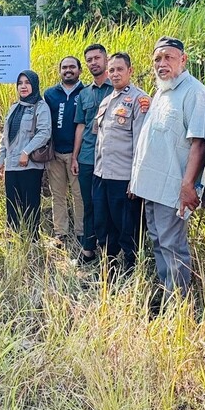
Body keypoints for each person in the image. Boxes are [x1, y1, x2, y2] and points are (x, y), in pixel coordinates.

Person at [129, 37, 205, 297]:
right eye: (157, 59)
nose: (162, 63)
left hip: (174, 188)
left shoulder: (195, 93)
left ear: (183, 59)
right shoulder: (162, 91)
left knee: (172, 245)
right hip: (151, 186)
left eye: (168, 57)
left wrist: (188, 186)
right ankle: (167, 294)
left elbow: (200, 144)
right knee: (158, 241)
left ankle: (177, 303)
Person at [92, 53, 148, 278]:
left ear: (130, 71)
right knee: (104, 226)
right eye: (111, 70)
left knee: (128, 229)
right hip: (101, 174)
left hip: (123, 178)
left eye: (119, 70)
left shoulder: (139, 100)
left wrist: (136, 180)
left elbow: (141, 144)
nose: (115, 74)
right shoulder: (107, 100)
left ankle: (131, 273)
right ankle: (109, 271)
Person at [0, 70, 52, 235]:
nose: (23, 86)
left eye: (27, 82)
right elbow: (5, 136)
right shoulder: (14, 107)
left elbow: (44, 133)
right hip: (12, 166)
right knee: (11, 204)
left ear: (34, 85)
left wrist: (26, 151)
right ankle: (13, 239)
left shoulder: (40, 107)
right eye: (20, 83)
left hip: (30, 165)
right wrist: (0, 160)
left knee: (30, 205)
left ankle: (32, 240)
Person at [70, 44, 113, 263]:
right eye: (89, 59)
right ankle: (88, 250)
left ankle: (110, 251)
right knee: (89, 205)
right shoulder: (84, 93)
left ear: (106, 59)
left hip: (112, 159)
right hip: (87, 157)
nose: (93, 62)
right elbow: (80, 125)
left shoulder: (116, 88)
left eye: (97, 58)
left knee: (108, 205)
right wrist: (75, 156)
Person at [42, 56, 84, 244]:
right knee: (57, 195)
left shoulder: (86, 92)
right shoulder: (50, 94)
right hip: (54, 154)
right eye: (64, 67)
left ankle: (81, 232)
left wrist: (76, 156)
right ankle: (60, 232)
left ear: (79, 70)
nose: (68, 70)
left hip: (78, 155)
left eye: (72, 67)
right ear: (59, 71)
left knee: (79, 195)